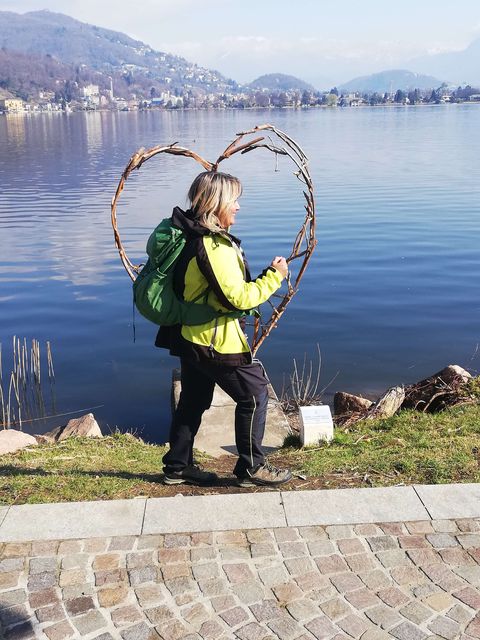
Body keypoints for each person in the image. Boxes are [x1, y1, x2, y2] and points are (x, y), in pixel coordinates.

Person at [156, 171, 292, 488]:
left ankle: (177, 467)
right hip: (214, 341)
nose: (238, 207)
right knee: (255, 394)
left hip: (191, 335)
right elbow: (236, 298)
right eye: (234, 200)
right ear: (216, 203)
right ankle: (252, 468)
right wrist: (274, 277)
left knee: (193, 400)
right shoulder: (212, 245)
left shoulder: (190, 234)